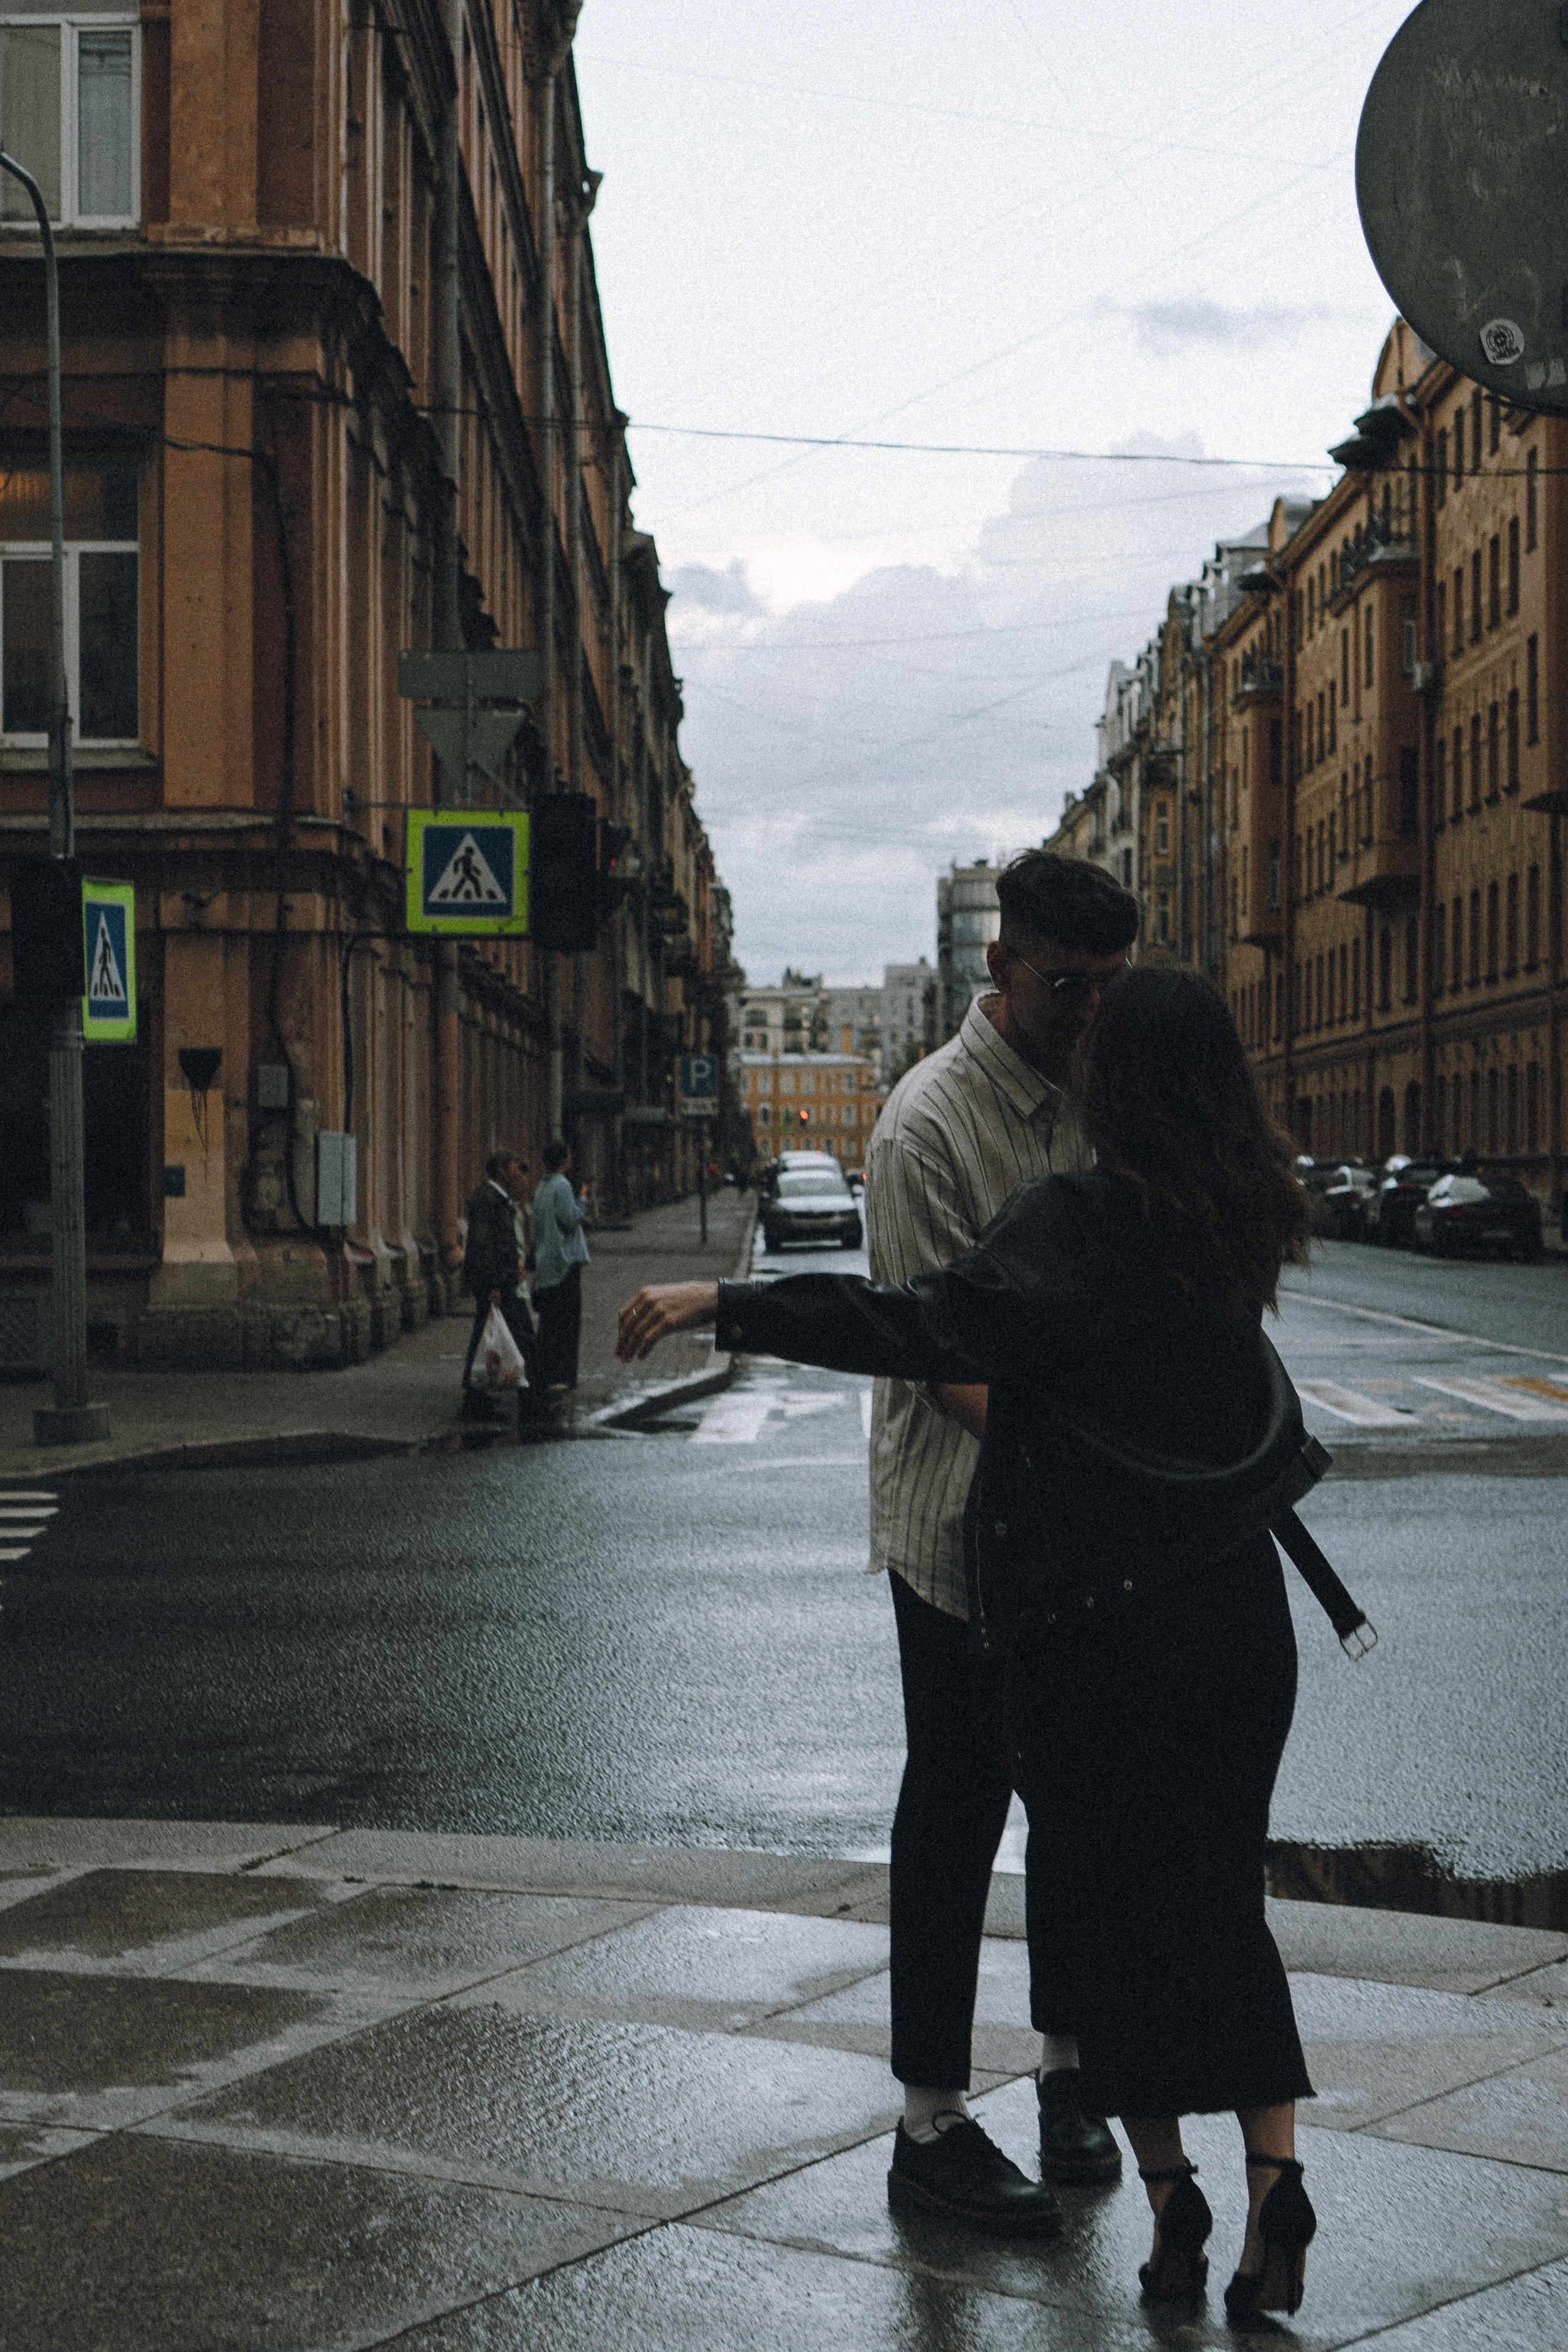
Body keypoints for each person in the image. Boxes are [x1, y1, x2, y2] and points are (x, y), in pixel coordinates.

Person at [617, 967, 1322, 2323]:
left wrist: (734, 1303)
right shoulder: (1246, 1215)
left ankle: (1174, 2207)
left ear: (1113, 1085)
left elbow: (916, 1324)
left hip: (1106, 1628)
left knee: (1111, 1924)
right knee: (1222, 1911)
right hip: (1239, 1626)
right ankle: (1275, 2181)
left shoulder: (1077, 1222)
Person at [859, 850, 1137, 2231]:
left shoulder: (1103, 1096)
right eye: (1064, 987)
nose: (1086, 1013)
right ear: (999, 968)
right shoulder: (927, 1128)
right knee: (957, 1810)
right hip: (959, 1532)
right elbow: (942, 1358)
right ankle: (927, 2125)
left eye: (1106, 990)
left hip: (1080, 1529)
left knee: (1078, 1806)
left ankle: (1070, 2072)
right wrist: (1097, 1454)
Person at [459, 1148, 540, 1423]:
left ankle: (477, 1398)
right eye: (516, 1166)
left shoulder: (500, 1200)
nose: (520, 1171)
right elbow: (482, 1247)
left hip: (505, 1282)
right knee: (521, 1339)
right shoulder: (488, 1201)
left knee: (488, 1339)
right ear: (502, 1170)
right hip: (499, 1286)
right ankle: (530, 1401)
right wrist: (492, 1284)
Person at [532, 1139, 590, 1395]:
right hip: (565, 1263)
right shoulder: (562, 1185)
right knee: (567, 1323)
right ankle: (564, 1376)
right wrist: (583, 1199)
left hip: (547, 1262)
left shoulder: (541, 1187)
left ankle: (545, 1373)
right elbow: (571, 1219)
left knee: (549, 1322)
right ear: (565, 1160)